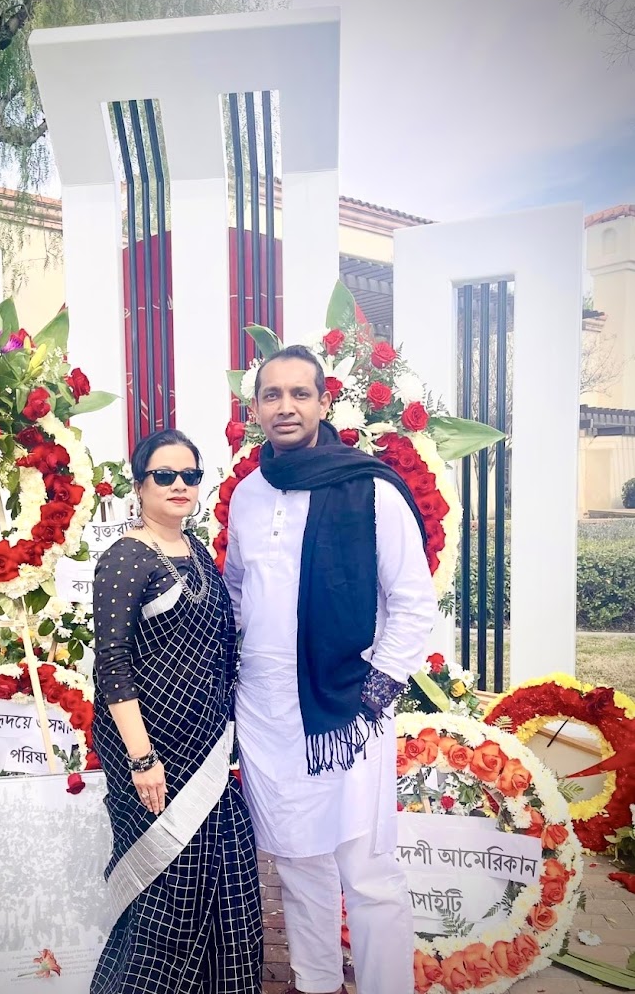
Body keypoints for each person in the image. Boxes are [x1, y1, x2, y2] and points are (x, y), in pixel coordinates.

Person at [223, 346, 438, 994]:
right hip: (267, 710)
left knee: (367, 871)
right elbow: (236, 591)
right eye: (272, 394)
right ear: (256, 408)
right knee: (297, 861)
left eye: (299, 393)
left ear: (323, 402)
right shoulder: (248, 494)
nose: (285, 406)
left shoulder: (370, 489)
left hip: (348, 709)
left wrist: (374, 693)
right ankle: (316, 983)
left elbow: (412, 602)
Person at [90, 428, 263, 994]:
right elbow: (112, 664)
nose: (179, 485)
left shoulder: (198, 554)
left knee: (230, 883)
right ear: (139, 485)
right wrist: (142, 760)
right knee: (166, 898)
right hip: (153, 757)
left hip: (207, 751)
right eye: (164, 475)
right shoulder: (125, 557)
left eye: (190, 475)